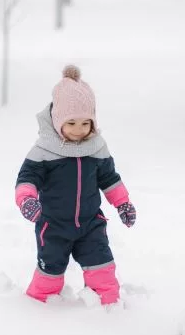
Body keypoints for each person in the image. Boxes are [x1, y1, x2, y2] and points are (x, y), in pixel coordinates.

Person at [15, 65, 136, 305]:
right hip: (53, 226)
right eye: (71, 123)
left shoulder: (97, 148)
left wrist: (123, 203)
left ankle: (109, 312)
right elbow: (27, 179)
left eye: (85, 123)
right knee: (49, 276)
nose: (79, 131)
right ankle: (36, 312)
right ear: (58, 119)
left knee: (103, 271)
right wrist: (27, 200)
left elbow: (110, 179)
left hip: (90, 224)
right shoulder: (44, 151)